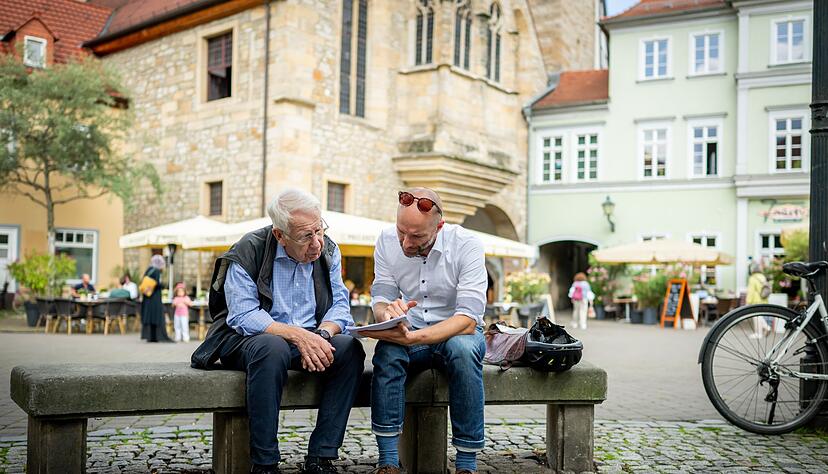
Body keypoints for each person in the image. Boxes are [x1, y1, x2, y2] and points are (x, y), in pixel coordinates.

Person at [191, 188, 365, 474]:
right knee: (273, 347)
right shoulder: (249, 250)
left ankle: (322, 456)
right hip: (248, 340)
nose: (317, 242)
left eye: (319, 230)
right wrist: (298, 335)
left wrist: (320, 336)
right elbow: (243, 315)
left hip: (309, 338)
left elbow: (340, 308)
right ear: (280, 235)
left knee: (349, 349)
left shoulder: (328, 250)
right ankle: (265, 462)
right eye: (306, 236)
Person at [364, 188, 487, 474]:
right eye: (401, 232)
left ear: (439, 226)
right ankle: (388, 461)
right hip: (412, 329)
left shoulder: (467, 244)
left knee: (463, 349)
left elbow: (468, 319)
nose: (406, 243)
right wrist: (387, 315)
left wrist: (413, 337)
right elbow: (380, 295)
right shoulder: (385, 240)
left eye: (417, 237)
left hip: (456, 333)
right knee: (388, 351)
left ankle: (466, 464)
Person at [141, 255, 172, 342]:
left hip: (147, 296)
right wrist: (163, 285)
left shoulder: (148, 270)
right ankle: (157, 336)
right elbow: (157, 284)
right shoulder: (157, 271)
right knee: (156, 315)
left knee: (150, 316)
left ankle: (150, 337)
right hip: (154, 297)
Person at [746, 262, 771, 337]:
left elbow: (751, 291)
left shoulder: (753, 278)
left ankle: (759, 332)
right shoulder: (762, 276)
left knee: (756, 316)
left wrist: (748, 301)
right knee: (759, 316)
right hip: (763, 299)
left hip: (755, 300)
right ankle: (763, 330)